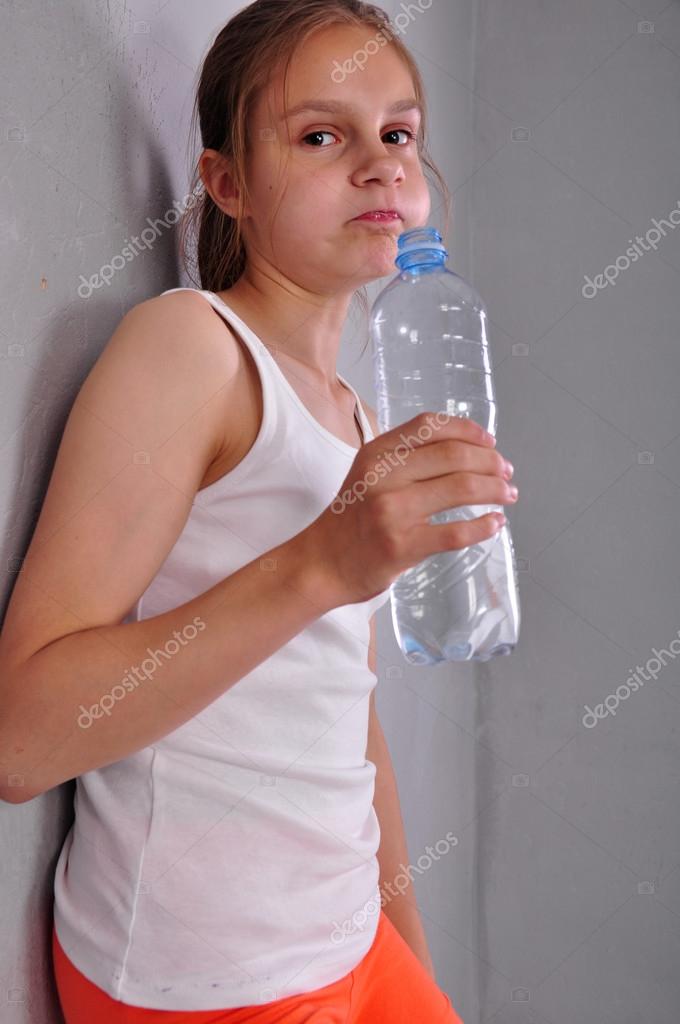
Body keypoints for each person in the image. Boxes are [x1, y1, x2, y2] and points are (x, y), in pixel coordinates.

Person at [0, 1, 517, 1020]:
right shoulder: (190, 346)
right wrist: (326, 561)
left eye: (396, 132)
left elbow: (343, 714)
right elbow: (23, 741)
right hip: (208, 976)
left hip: (346, 940)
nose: (377, 164)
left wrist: (409, 964)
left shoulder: (353, 412)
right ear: (225, 183)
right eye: (321, 134)